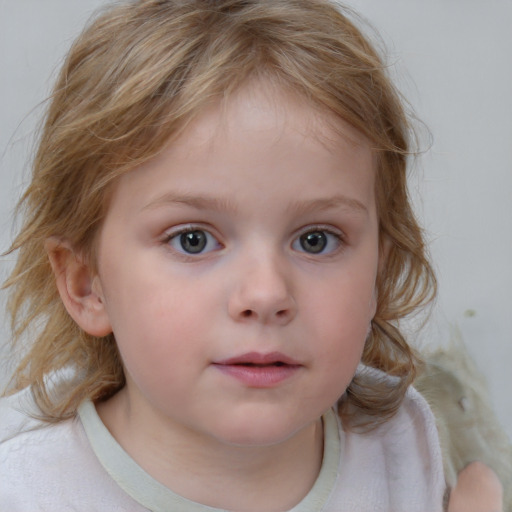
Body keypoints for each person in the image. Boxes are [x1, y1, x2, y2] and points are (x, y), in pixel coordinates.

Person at [0, 0, 503, 510]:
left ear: (379, 273)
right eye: (192, 239)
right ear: (86, 284)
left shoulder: (403, 452)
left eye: (316, 239)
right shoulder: (27, 491)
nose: (266, 294)